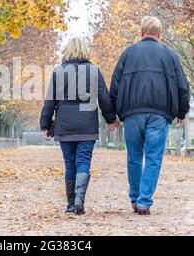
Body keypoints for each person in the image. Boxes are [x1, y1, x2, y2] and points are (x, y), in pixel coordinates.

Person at [110, 16, 190, 215]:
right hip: (159, 114)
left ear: (141, 32)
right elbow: (182, 87)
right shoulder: (170, 55)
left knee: (134, 157)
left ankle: (135, 198)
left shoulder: (128, 53)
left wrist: (112, 116)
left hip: (132, 113)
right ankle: (144, 201)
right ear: (159, 34)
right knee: (154, 157)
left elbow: (115, 86)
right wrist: (181, 112)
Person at [40, 38, 118, 215]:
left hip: (65, 125)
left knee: (69, 164)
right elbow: (104, 99)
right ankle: (79, 200)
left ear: (67, 51)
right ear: (84, 51)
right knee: (83, 162)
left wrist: (45, 124)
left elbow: (49, 101)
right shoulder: (93, 71)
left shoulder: (59, 72)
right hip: (87, 125)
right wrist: (111, 119)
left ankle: (69, 204)